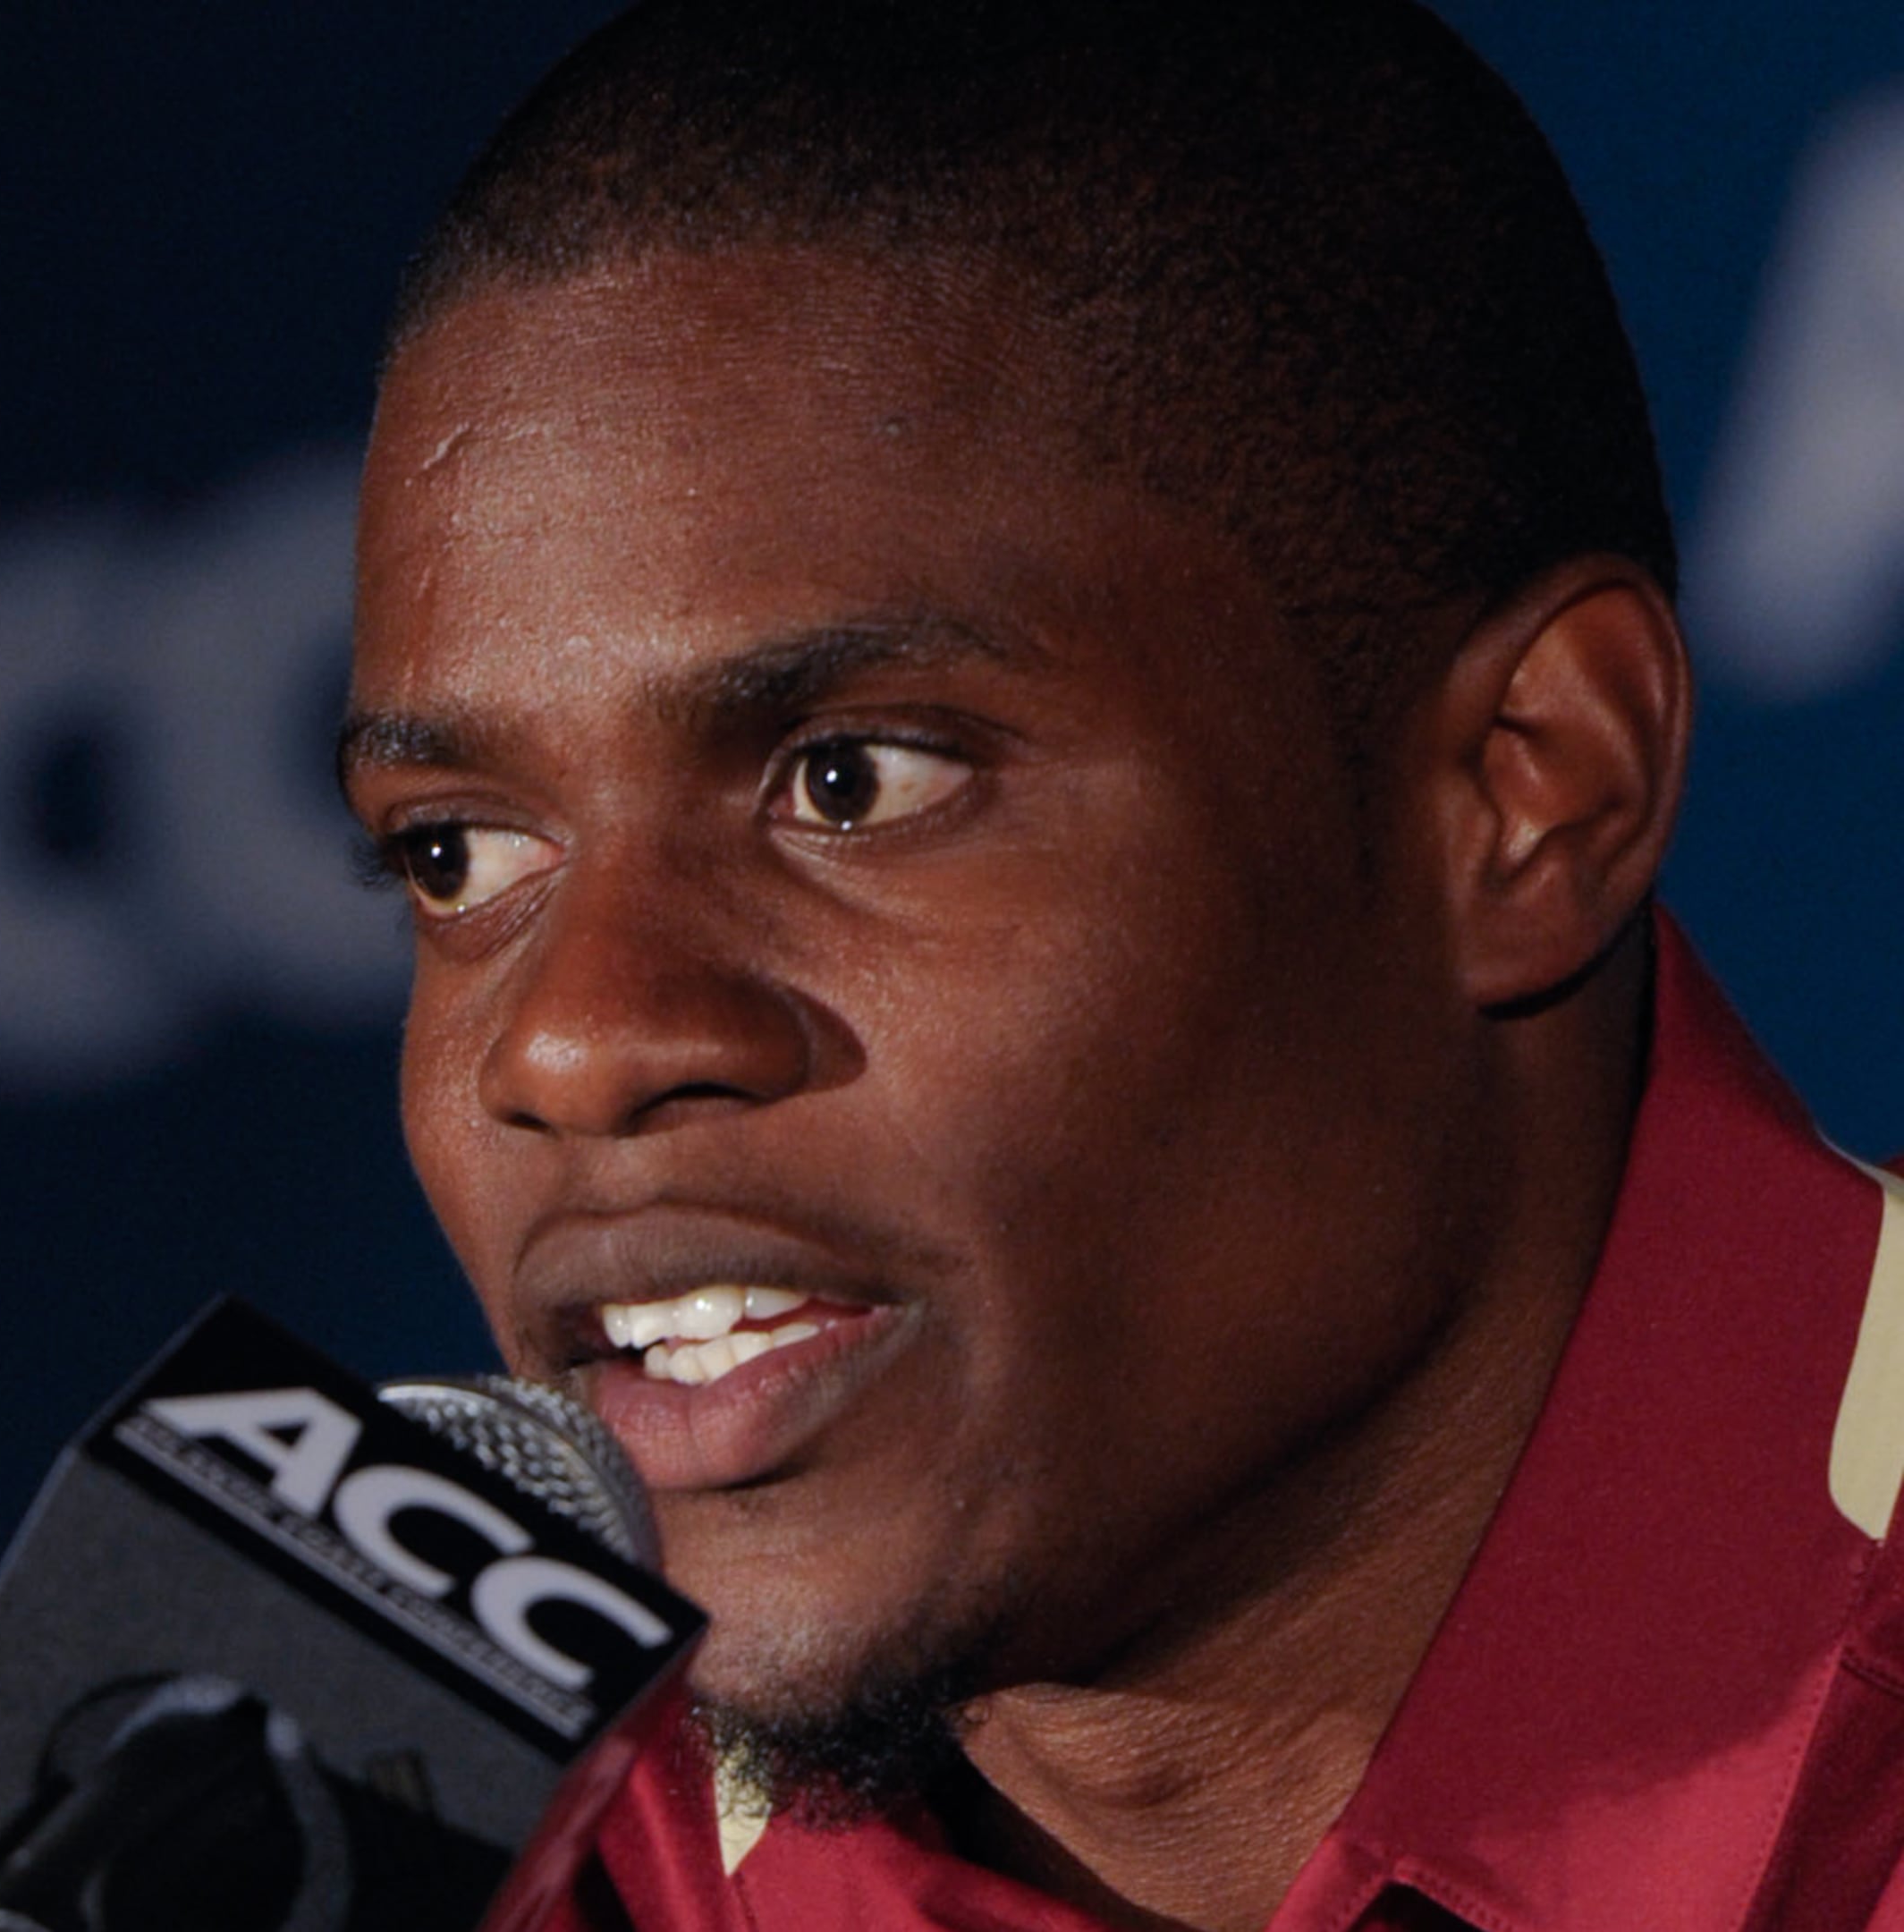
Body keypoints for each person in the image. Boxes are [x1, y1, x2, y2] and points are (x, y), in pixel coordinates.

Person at [335, 2, 1904, 1927]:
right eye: (458, 854)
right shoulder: (419, 1851)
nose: (573, 1040)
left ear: (1528, 794)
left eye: (853, 782)